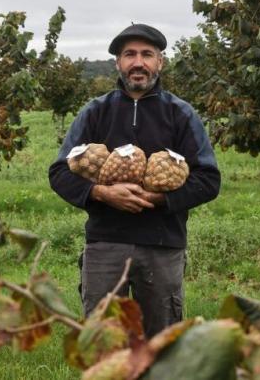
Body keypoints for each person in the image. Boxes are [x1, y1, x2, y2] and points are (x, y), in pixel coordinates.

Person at [48, 23, 220, 337]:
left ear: (160, 62)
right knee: (103, 341)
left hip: (162, 245)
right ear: (118, 62)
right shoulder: (95, 113)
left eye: (146, 54)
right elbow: (59, 173)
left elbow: (208, 180)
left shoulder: (180, 114)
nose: (137, 62)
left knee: (161, 343)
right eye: (129, 54)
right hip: (105, 245)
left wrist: (159, 199)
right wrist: (101, 193)